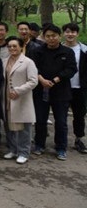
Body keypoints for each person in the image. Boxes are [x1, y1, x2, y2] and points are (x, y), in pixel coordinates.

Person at [32, 24, 77, 160]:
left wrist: (56, 79)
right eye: (48, 36)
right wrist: (41, 80)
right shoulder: (38, 51)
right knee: (40, 120)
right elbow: (33, 68)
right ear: (44, 37)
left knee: (61, 122)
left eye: (54, 36)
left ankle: (61, 148)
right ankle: (39, 144)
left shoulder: (67, 52)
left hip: (61, 91)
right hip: (41, 90)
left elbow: (71, 69)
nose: (51, 38)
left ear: (59, 36)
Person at [2, 37, 38, 164]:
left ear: (21, 47)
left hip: (21, 98)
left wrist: (18, 90)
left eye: (15, 46)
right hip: (6, 97)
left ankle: (24, 152)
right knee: (9, 125)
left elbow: (33, 81)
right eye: (9, 46)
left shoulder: (28, 62)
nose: (12, 48)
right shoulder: (5, 61)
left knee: (24, 128)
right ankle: (13, 149)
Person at [62, 23, 87, 154]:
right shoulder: (58, 48)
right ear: (63, 34)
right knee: (61, 116)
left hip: (79, 87)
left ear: (77, 33)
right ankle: (61, 141)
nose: (70, 34)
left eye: (73, 32)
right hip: (62, 88)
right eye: (67, 31)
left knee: (79, 115)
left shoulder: (84, 50)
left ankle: (79, 139)